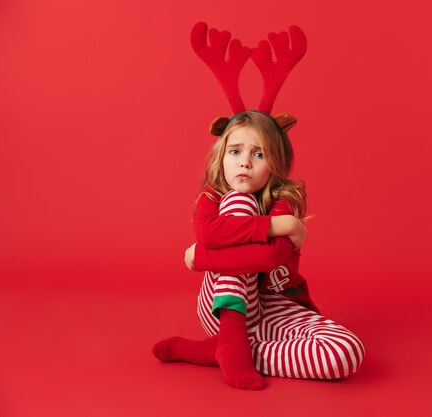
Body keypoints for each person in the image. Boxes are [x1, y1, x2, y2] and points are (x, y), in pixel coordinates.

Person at [152, 110, 364, 390]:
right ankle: (230, 337)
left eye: (259, 154)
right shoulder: (211, 197)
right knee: (239, 203)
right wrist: (279, 227)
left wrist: (202, 256)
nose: (245, 163)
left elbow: (269, 257)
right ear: (221, 157)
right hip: (219, 305)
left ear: (276, 163)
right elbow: (207, 232)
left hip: (273, 307)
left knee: (346, 353)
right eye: (235, 151)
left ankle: (223, 349)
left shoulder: (284, 201)